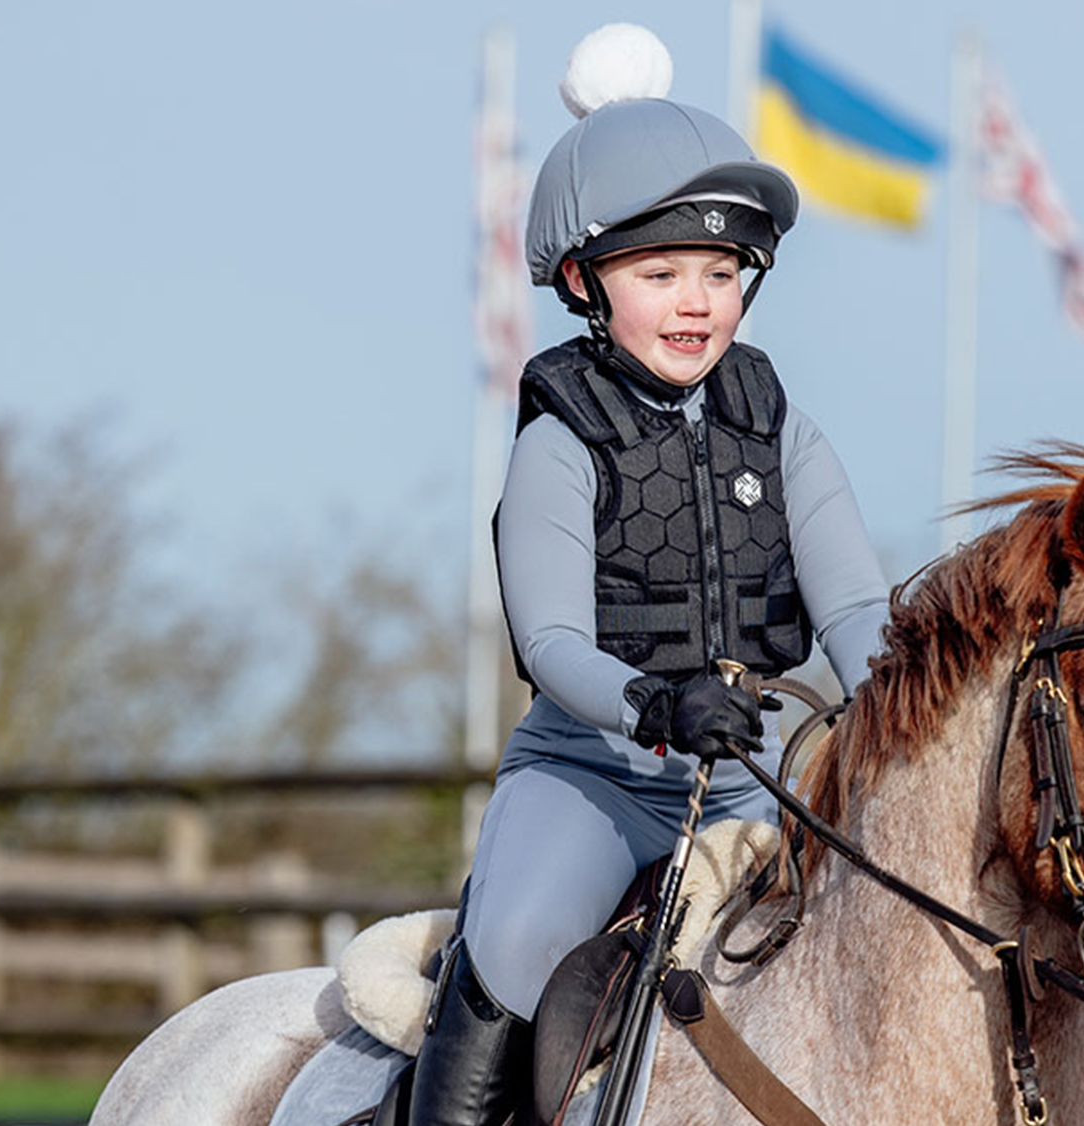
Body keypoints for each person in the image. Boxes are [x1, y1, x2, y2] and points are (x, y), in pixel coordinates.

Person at [406, 25, 891, 1126]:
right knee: (518, 942)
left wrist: (910, 702)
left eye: (719, 274)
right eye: (659, 272)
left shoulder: (782, 432)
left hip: (756, 774)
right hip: (593, 775)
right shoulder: (557, 439)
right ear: (584, 280)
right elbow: (551, 645)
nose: (695, 302)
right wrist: (656, 702)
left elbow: (858, 608)